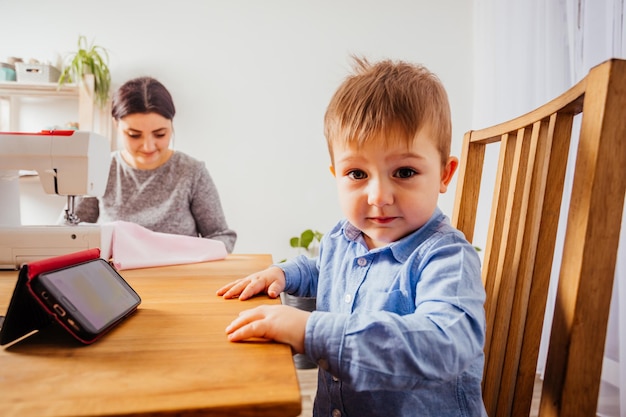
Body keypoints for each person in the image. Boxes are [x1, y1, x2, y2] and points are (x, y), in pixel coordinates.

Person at [217, 57, 486, 416]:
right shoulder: (345, 237)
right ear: (336, 175)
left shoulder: (446, 257)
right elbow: (324, 269)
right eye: (357, 173)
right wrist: (285, 274)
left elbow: (443, 343)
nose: (378, 196)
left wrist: (312, 329)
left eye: (404, 171)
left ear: (444, 174)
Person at [72, 76, 237, 253]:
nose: (148, 146)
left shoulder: (192, 172)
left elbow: (221, 235)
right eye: (134, 135)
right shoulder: (100, 169)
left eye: (160, 134)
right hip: (114, 278)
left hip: (179, 277)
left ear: (171, 125)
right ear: (116, 124)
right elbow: (67, 232)